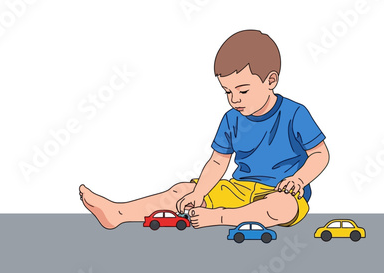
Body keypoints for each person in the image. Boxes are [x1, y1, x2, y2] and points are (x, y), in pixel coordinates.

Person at [79, 29, 329, 229]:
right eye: (228, 92)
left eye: (243, 90)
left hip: (282, 192)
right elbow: (218, 162)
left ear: (270, 81)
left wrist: (299, 179)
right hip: (239, 188)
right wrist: (199, 193)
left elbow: (320, 154)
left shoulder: (295, 113)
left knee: (280, 208)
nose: (235, 99)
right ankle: (120, 213)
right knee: (181, 191)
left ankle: (220, 218)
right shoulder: (231, 119)